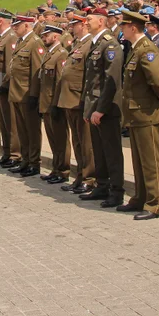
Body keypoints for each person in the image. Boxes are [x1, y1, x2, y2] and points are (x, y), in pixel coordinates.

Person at [118, 10, 159, 220]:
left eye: (124, 26)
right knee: (139, 161)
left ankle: (155, 204)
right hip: (135, 113)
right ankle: (140, 198)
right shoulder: (135, 48)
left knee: (150, 162)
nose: (121, 29)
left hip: (146, 112)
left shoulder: (147, 49)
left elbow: (156, 80)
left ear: (133, 27)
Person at [80, 8, 125, 208]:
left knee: (111, 150)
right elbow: (90, 80)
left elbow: (111, 80)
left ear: (101, 21)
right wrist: (86, 107)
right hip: (93, 106)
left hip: (106, 108)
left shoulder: (110, 44)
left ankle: (116, 190)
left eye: (88, 19)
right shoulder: (96, 43)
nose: (85, 23)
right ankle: (102, 185)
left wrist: (100, 109)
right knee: (98, 149)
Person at [57, 12, 96, 193]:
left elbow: (90, 76)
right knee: (78, 141)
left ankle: (89, 178)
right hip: (70, 99)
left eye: (75, 24)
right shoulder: (78, 44)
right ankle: (80, 175)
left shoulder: (90, 44)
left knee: (86, 142)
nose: (72, 27)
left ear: (83, 25)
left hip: (79, 98)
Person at [8, 15, 44, 177]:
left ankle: (34, 162)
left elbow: (36, 71)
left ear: (27, 26)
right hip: (16, 93)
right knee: (22, 130)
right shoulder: (22, 42)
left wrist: (34, 95)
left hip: (27, 93)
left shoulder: (34, 42)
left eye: (18, 25)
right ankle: (26, 159)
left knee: (32, 130)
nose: (14, 28)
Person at [39, 23, 70, 184]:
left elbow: (60, 81)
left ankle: (63, 170)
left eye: (47, 35)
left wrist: (57, 104)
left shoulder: (61, 54)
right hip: (46, 102)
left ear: (56, 36)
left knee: (60, 139)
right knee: (53, 138)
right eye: (43, 35)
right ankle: (56, 168)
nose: (44, 38)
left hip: (54, 103)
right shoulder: (48, 53)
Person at [0, 10, 18, 166]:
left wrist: (4, 85)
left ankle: (13, 154)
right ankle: (5, 152)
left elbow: (8, 65)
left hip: (4, 86)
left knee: (9, 122)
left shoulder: (10, 37)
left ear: (0, 21)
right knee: (2, 121)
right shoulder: (0, 38)